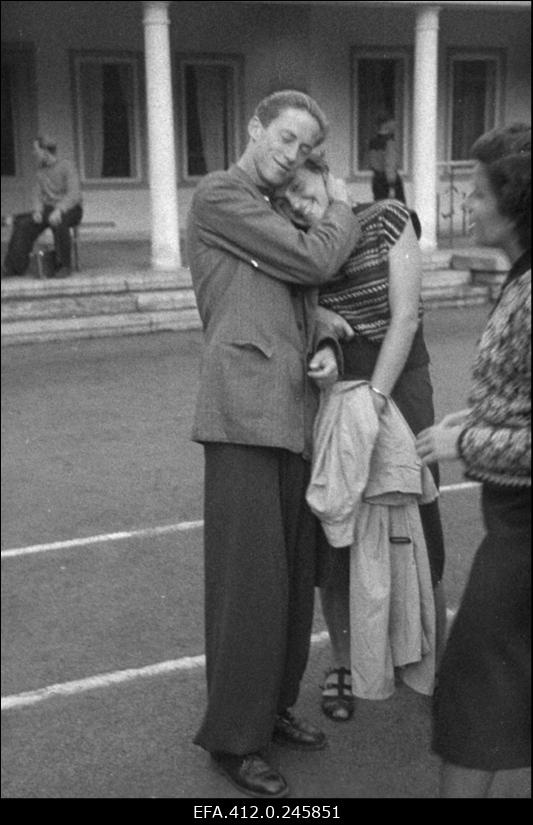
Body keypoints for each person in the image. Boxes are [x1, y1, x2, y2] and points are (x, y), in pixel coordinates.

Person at [187, 90, 361, 799]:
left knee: (288, 582)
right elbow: (311, 260)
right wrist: (343, 205)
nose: (291, 154)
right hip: (240, 418)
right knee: (247, 591)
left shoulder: (267, 208)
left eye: (302, 146)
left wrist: (319, 336)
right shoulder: (221, 194)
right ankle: (233, 739)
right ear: (254, 127)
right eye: (284, 138)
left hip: (286, 415)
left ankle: (270, 707)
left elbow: (288, 297)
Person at [279, 154, 446, 720]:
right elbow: (308, 319)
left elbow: (405, 318)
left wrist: (375, 397)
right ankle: (346, 663)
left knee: (419, 520)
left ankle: (429, 662)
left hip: (399, 383)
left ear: (329, 176)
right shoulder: (303, 249)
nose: (301, 208)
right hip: (339, 391)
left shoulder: (387, 218)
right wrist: (324, 344)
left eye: (304, 192)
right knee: (338, 528)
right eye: (289, 204)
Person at [416, 123, 531, 798]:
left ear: (514, 201)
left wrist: (465, 442)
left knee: (471, 684)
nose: (468, 206)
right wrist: (479, 419)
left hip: (523, 527)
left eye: (477, 192)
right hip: (512, 519)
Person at [2, 135, 83, 279]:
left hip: (71, 209)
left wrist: (59, 210)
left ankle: (63, 266)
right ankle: (13, 267)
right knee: (24, 223)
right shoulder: (40, 171)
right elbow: (37, 194)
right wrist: (38, 210)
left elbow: (74, 194)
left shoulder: (67, 166)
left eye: (36, 150)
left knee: (58, 221)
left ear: (45, 151)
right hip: (48, 209)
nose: (34, 153)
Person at [368, 115, 406, 204]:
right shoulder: (390, 142)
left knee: (379, 208)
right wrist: (392, 186)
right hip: (388, 182)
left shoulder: (372, 142)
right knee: (398, 210)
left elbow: (372, 163)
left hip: (377, 180)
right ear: (385, 125)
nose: (395, 125)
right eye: (392, 122)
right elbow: (390, 164)